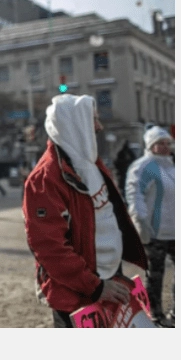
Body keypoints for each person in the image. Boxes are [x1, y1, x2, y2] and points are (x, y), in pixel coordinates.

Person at [23, 94, 147, 328]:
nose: (99, 127)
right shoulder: (45, 179)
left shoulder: (91, 163)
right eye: (93, 120)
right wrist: (96, 287)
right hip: (78, 292)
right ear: (74, 124)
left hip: (110, 278)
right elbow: (50, 247)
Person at [125, 126, 175, 327]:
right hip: (155, 232)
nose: (165, 147)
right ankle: (156, 315)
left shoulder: (172, 166)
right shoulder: (144, 167)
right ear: (150, 145)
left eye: (167, 143)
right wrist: (141, 222)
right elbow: (135, 195)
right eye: (160, 143)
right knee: (156, 275)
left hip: (175, 230)